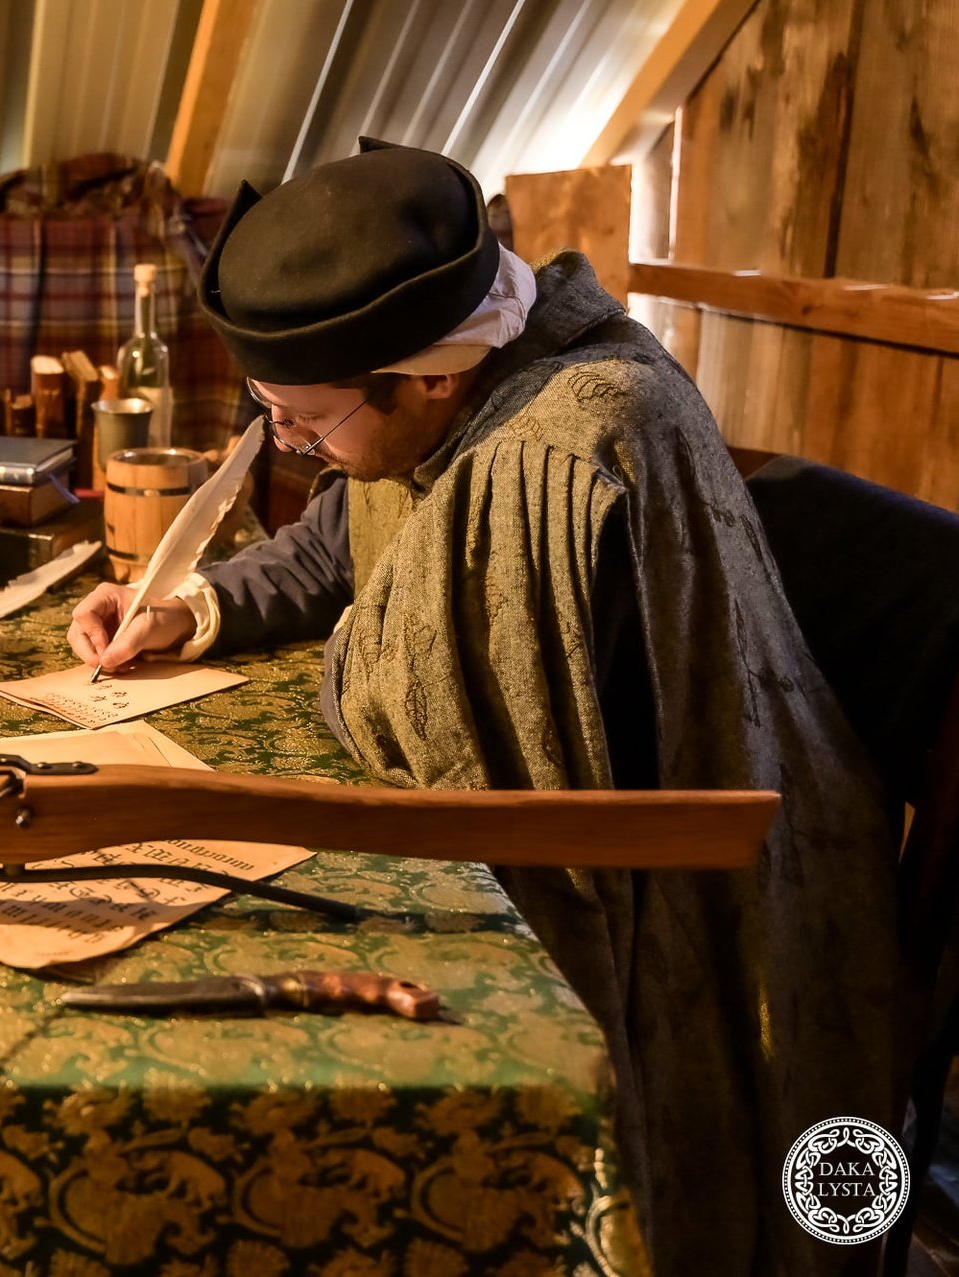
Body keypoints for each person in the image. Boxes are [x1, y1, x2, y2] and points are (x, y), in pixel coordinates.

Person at [69, 140, 900, 1276]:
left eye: (307, 421)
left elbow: (427, 717)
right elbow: (343, 537)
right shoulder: (435, 393)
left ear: (434, 376)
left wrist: (357, 635)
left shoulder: (566, 448)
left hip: (678, 916)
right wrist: (192, 606)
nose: (299, 448)